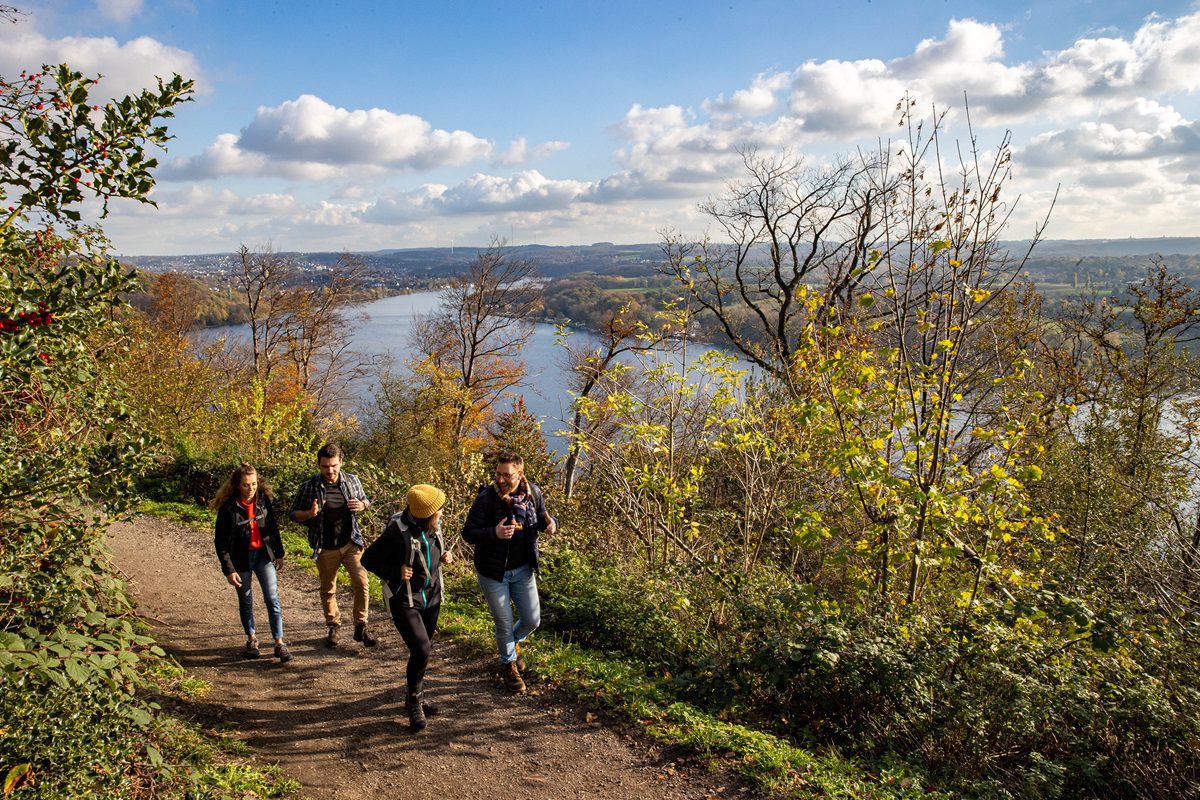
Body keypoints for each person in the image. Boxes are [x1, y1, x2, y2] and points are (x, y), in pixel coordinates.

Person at [462, 452, 556, 693]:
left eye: (507, 474)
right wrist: (494, 533)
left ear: (520, 474)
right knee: (503, 622)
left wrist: (552, 524)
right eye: (498, 474)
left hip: (523, 569)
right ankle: (509, 666)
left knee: (532, 620)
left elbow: (543, 518)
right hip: (493, 572)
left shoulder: (533, 493)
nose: (501, 479)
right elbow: (469, 532)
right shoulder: (486, 498)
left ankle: (511, 647)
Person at [372, 484, 453, 732]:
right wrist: (395, 572)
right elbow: (369, 559)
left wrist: (444, 558)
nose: (441, 515)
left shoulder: (433, 526)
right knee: (422, 648)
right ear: (426, 515)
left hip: (432, 597)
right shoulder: (397, 531)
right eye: (438, 512)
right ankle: (415, 702)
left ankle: (413, 695)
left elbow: (430, 556)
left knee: (423, 652)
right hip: (405, 599)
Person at [289, 442, 376, 648]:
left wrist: (362, 505)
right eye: (325, 467)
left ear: (341, 463)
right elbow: (293, 514)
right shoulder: (309, 486)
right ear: (319, 466)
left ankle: (361, 627)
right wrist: (309, 514)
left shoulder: (352, 481)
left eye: (334, 466)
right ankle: (333, 626)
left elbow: (365, 500)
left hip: (351, 543)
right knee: (328, 589)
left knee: (362, 583)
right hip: (324, 546)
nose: (330, 471)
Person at [212, 463, 292, 662]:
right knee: (246, 601)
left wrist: (279, 553)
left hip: (263, 556)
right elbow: (220, 542)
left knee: (272, 599)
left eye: (254, 484)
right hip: (240, 560)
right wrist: (229, 570)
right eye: (246, 485)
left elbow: (272, 527)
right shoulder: (228, 508)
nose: (251, 489)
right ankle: (251, 639)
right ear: (237, 485)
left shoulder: (263, 501)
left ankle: (279, 643)